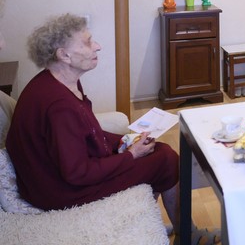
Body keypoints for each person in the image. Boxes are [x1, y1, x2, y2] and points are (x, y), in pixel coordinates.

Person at [5, 14, 221, 243]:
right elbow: (77, 173)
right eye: (88, 42)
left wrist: (125, 140)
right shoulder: (59, 106)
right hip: (59, 191)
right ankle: (187, 235)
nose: (97, 46)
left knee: (158, 152)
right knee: (165, 160)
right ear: (64, 55)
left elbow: (86, 132)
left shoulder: (58, 82)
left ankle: (174, 227)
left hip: (56, 178)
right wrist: (130, 155)